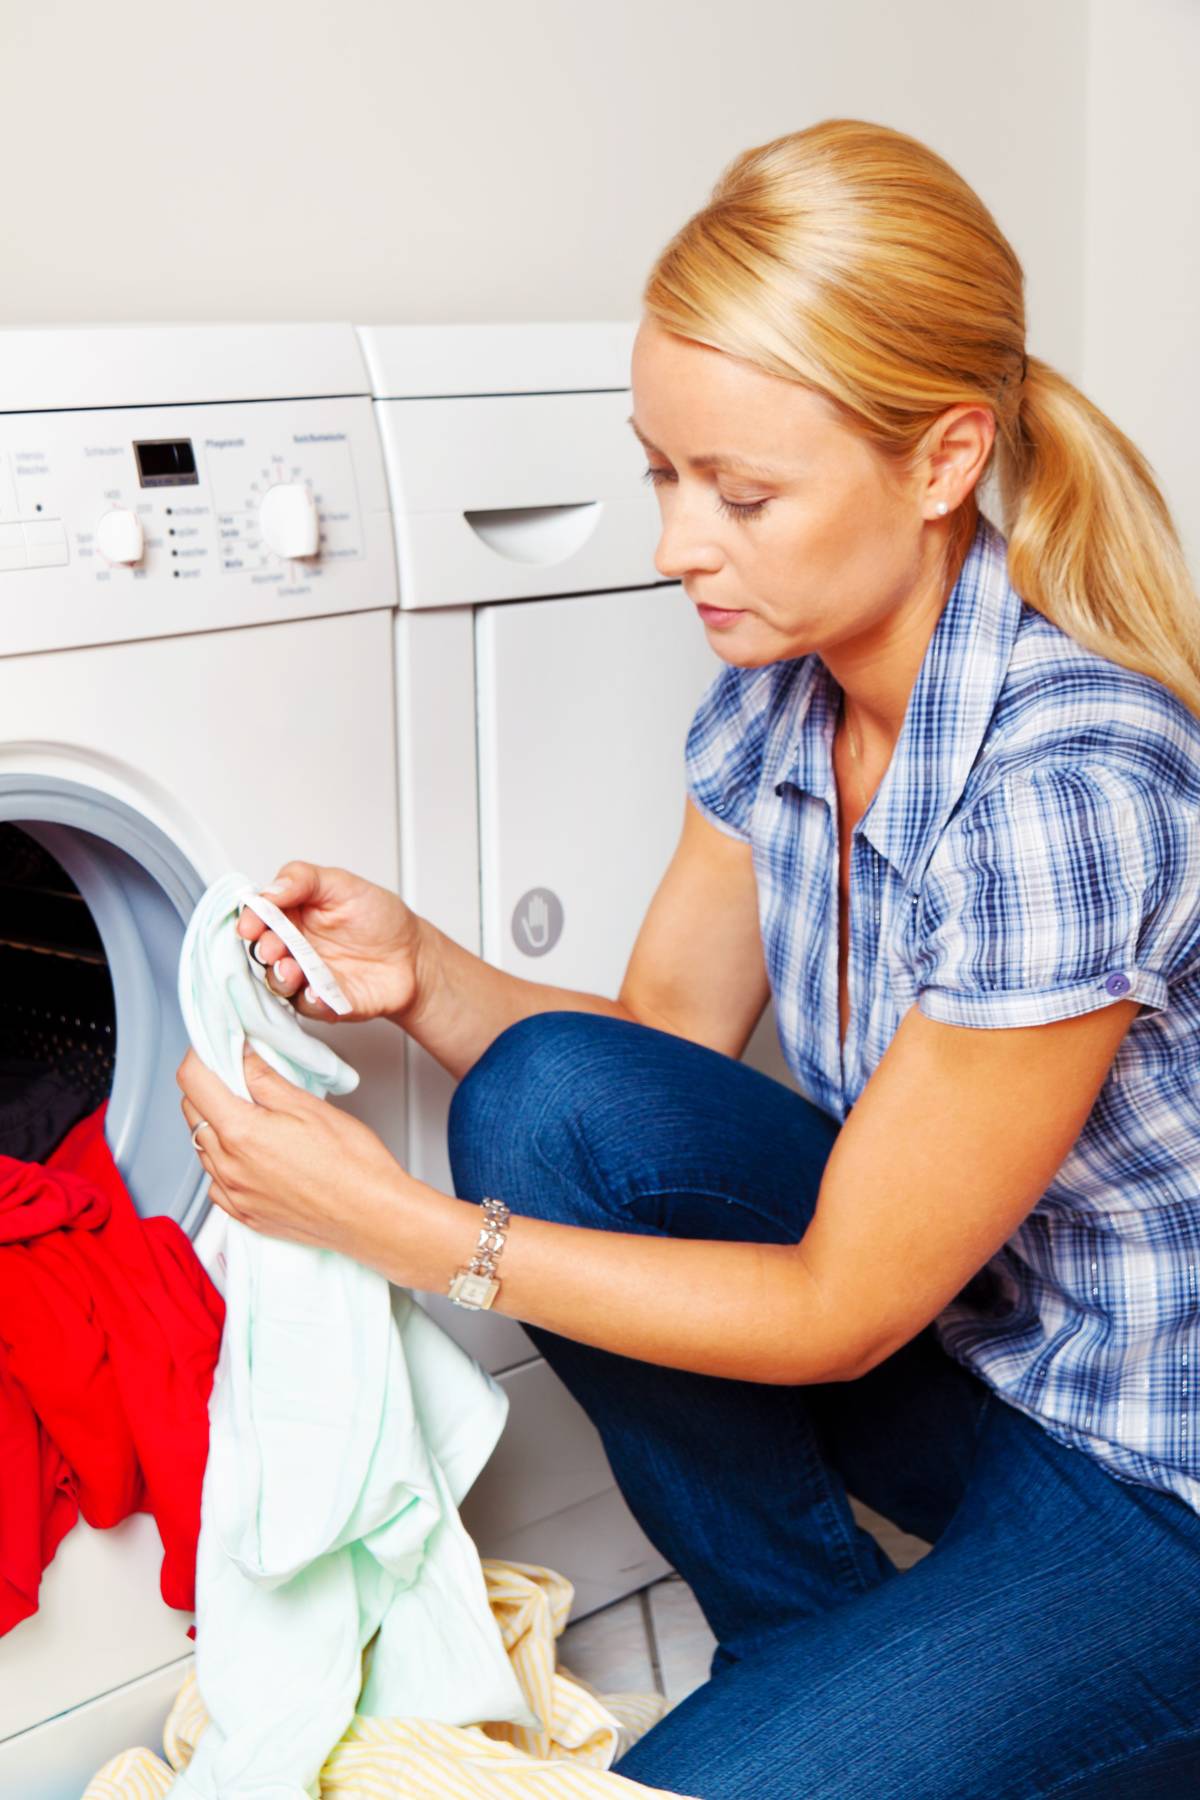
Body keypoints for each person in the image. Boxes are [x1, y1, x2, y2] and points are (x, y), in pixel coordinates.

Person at [178, 118, 1200, 1796]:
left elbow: (840, 1310)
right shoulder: (782, 688)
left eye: (739, 494)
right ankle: (813, 1642)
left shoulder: (1065, 797)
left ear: (944, 462)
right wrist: (429, 971)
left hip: (1155, 1483)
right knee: (553, 1097)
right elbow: (654, 1050)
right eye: (663, 473)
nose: (676, 544)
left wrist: (406, 1231)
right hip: (986, 1366)